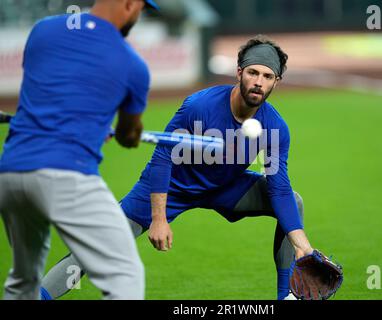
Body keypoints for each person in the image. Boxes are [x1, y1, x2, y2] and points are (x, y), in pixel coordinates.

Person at [40, 35, 314, 300]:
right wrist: (158, 219)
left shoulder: (275, 128)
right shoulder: (199, 106)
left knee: (293, 201)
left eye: (267, 77)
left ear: (276, 82)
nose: (258, 82)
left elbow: (278, 189)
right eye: (253, 73)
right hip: (171, 186)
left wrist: (302, 244)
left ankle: (287, 296)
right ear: (239, 72)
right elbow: (162, 157)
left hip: (225, 186)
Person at [0, 0, 161, 300]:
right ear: (129, 4)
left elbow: (50, 93)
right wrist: (122, 133)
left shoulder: (43, 31)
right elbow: (128, 134)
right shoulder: (132, 64)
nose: (139, 16)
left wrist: (89, 127)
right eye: (141, 8)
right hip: (66, 175)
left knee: (23, 281)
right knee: (124, 276)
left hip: (10, 173)